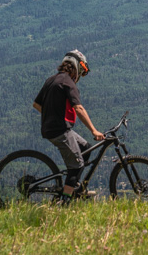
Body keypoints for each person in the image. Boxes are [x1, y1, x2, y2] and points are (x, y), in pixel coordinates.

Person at [32, 49, 105, 203]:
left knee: (85, 148)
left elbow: (36, 104)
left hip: (54, 128)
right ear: (77, 67)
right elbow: (79, 108)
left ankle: (73, 184)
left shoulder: (52, 79)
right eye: (82, 71)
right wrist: (94, 130)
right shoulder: (68, 83)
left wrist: (51, 113)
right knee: (77, 165)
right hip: (59, 131)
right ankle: (65, 201)